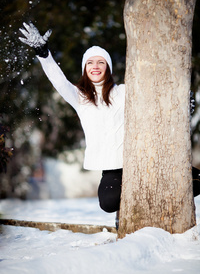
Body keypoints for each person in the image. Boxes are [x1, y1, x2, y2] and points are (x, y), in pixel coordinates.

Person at [19, 22, 200, 229]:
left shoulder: (124, 91)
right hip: (113, 168)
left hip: (141, 161)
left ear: (108, 68)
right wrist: (44, 54)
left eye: (101, 62)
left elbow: (154, 105)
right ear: (85, 68)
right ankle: (132, 201)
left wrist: (180, 105)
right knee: (108, 203)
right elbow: (58, 80)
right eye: (90, 63)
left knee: (195, 181)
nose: (95, 67)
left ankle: (147, 195)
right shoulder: (79, 97)